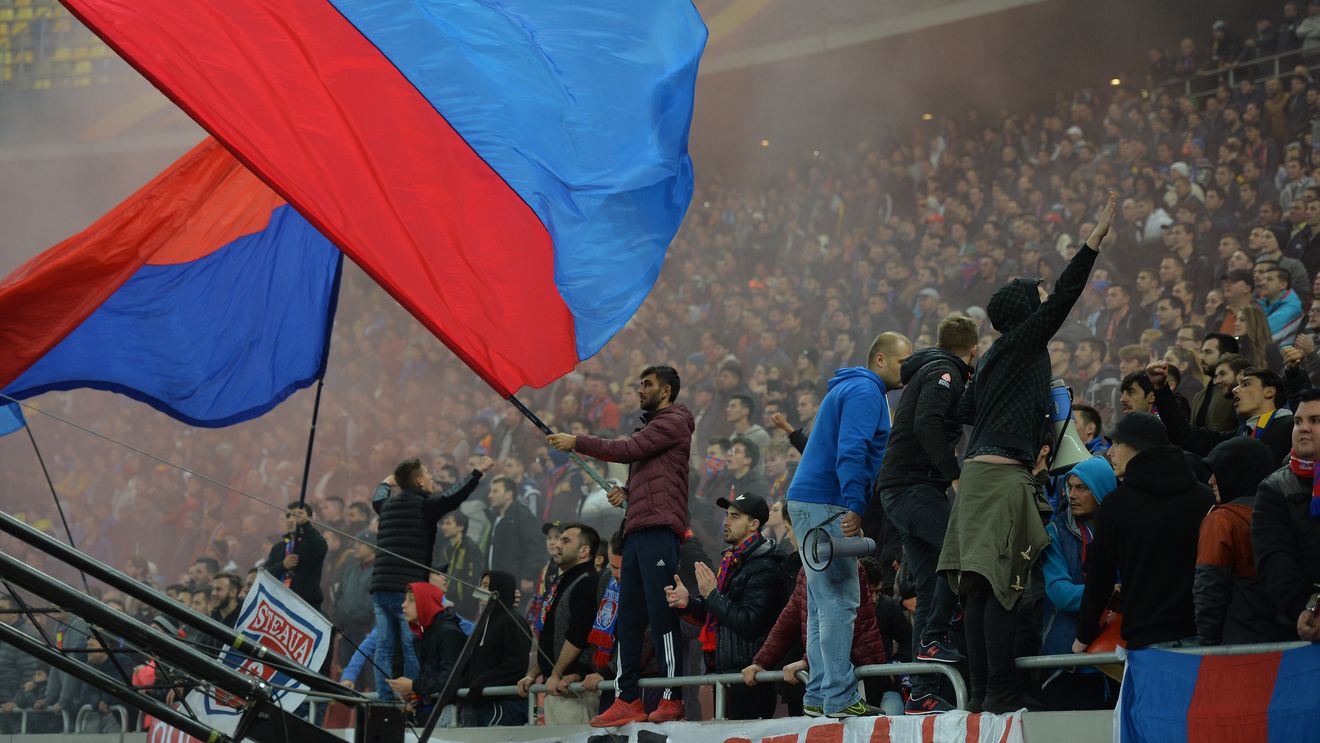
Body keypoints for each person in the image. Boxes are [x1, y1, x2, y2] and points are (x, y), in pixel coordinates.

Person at [942, 192, 1116, 713]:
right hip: (1000, 479)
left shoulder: (996, 356)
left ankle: (977, 695)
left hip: (977, 477)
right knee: (997, 588)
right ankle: (996, 693)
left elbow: (966, 410)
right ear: (1024, 311)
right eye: (1037, 294)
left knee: (974, 588)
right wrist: (1092, 243)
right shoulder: (1022, 343)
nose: (1046, 298)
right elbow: (1065, 296)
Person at [547, 365, 694, 726]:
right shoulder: (653, 427)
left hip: (659, 529)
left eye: (647, 384)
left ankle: (672, 695)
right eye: (638, 383)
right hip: (637, 527)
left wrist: (577, 441)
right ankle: (627, 697)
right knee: (628, 618)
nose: (639, 389)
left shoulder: (672, 421)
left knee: (661, 614)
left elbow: (629, 449)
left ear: (667, 391)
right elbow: (651, 468)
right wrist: (630, 493)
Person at [787, 330, 912, 719]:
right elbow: (852, 449)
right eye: (901, 362)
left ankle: (819, 693)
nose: (906, 370)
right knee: (840, 600)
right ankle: (840, 697)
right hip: (828, 502)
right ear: (880, 359)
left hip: (808, 499)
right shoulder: (865, 392)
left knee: (823, 603)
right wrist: (855, 504)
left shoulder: (849, 388)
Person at [876, 313, 978, 715]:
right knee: (960, 551)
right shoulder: (944, 372)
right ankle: (935, 638)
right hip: (916, 487)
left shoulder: (933, 369)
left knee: (929, 583)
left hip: (902, 490)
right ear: (973, 349)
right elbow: (927, 422)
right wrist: (953, 475)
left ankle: (920, 691)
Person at [1075, 413, 1215, 652]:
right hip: (1202, 635)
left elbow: (1100, 578)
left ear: (1138, 446)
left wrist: (1084, 636)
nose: (1109, 452)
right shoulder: (1203, 497)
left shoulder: (1117, 504)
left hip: (1147, 642)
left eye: (1117, 443)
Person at [370, 455, 494, 702]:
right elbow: (452, 496)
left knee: (383, 645)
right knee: (410, 643)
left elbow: (377, 498)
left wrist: (385, 482)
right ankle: (413, 697)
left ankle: (385, 700)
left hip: (379, 586)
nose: (431, 479)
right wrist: (476, 472)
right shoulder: (423, 506)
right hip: (405, 587)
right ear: (418, 482)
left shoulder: (387, 507)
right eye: (427, 475)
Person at [665, 493, 783, 720]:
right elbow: (718, 614)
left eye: (735, 517)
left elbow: (749, 623)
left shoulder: (765, 566)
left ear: (754, 525)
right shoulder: (731, 561)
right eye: (726, 515)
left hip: (749, 677)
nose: (726, 522)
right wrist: (688, 603)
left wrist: (711, 595)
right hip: (724, 671)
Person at [1195, 438, 1296, 646]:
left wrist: (1208, 645)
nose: (1211, 480)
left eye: (1220, 471)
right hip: (1292, 641)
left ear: (1236, 473)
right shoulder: (1288, 510)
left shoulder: (1222, 521)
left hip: (1239, 642)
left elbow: (1209, 589)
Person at [1039, 457, 1119, 711]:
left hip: (1114, 658)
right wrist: (1109, 593)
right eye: (1070, 487)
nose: (1072, 495)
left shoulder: (1122, 529)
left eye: (1082, 488)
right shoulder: (1055, 533)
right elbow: (1060, 593)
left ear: (1102, 489)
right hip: (1066, 659)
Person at [1252, 387, 1320, 644]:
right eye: (1298, 421)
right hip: (1299, 627)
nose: (1303, 428)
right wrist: (1304, 609)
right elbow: (1274, 559)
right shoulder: (1274, 487)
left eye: (1315, 421)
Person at [517, 523, 601, 725]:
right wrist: (533, 673)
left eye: (565, 541)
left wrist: (555, 673)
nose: (557, 545)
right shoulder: (561, 583)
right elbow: (552, 639)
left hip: (574, 690)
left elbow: (577, 636)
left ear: (584, 550)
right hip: (556, 687)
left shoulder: (587, 581)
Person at [1149, 361, 1294, 463]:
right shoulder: (1240, 434)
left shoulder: (1291, 426)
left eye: (1246, 384)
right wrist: (1161, 389)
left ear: (1269, 391)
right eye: (1238, 385)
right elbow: (1184, 434)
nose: (1235, 389)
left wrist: (1295, 375)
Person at [458, 571, 531, 727]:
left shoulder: (512, 621)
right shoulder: (485, 622)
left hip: (502, 704)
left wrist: (482, 683)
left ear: (499, 589)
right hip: (480, 702)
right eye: (481, 585)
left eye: (486, 586)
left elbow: (516, 664)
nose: (481, 590)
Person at [386, 581, 465, 714]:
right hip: (435, 711)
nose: (403, 605)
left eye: (411, 600)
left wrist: (413, 685)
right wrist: (413, 696)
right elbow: (429, 680)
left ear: (426, 602)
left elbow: (450, 679)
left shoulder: (448, 632)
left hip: (453, 713)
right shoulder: (422, 636)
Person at [485, 477, 543, 601]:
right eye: (490, 491)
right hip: (496, 580)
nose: (490, 495)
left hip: (515, 583)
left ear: (509, 494)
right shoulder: (495, 517)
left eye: (495, 491)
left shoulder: (522, 515)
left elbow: (536, 546)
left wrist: (528, 576)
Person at [263, 501, 327, 611]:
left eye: (296, 515)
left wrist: (306, 524)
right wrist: (282, 566)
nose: (291, 519)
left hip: (304, 608)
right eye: (288, 516)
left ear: (310, 519)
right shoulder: (278, 547)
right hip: (278, 606)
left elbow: (320, 548)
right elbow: (264, 574)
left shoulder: (313, 543)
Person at [435, 512, 484, 619]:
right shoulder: (446, 548)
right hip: (447, 603)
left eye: (448, 523)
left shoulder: (470, 548)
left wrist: (466, 605)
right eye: (443, 524)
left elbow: (474, 578)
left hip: (465, 607)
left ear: (460, 527)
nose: (443, 527)